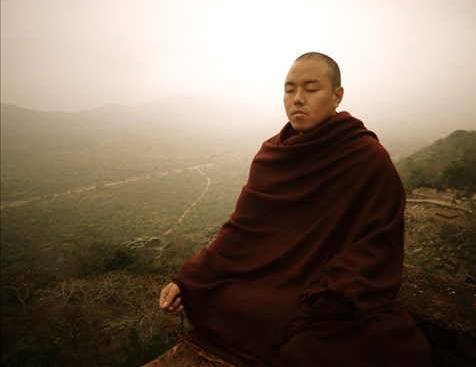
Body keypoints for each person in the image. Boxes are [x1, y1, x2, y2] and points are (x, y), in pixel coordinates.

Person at [159, 52, 432, 366]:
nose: (297, 99)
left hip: (320, 286)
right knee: (211, 296)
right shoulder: (271, 155)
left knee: (333, 333)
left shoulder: (367, 158)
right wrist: (186, 280)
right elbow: (241, 232)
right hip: (269, 283)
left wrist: (329, 291)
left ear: (336, 96)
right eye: (290, 90)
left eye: (311, 89)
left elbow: (376, 244)